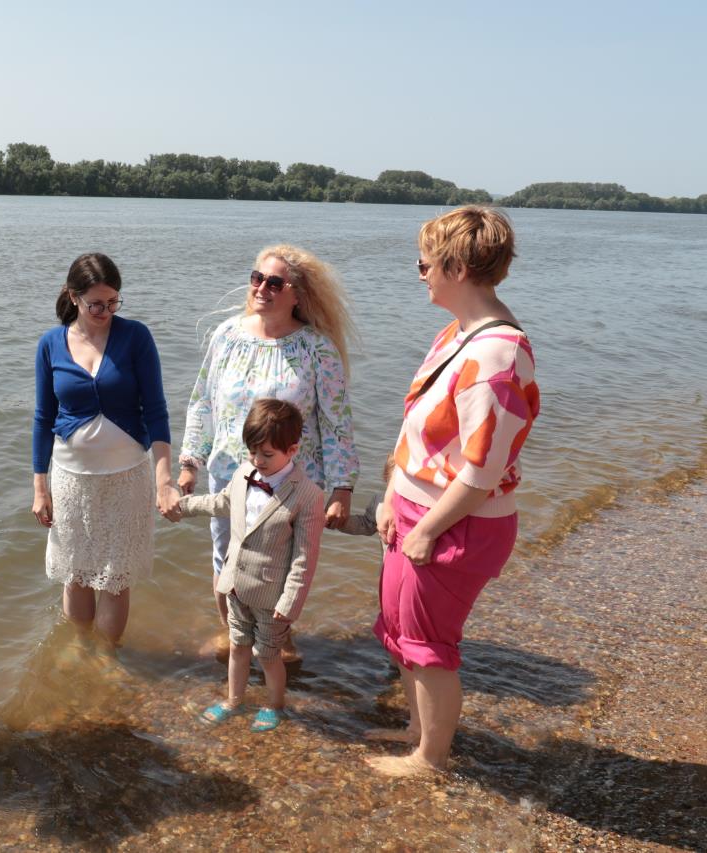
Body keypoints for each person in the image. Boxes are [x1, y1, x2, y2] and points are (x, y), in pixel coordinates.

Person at [368, 205, 539, 777]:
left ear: (458, 267)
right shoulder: (457, 333)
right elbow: (415, 420)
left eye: (426, 262)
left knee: (429, 645)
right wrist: (392, 495)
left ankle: (429, 758)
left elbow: (482, 470)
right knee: (399, 630)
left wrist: (428, 528)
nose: (420, 271)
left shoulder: (499, 352)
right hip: (418, 508)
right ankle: (416, 728)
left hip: (456, 520)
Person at [179, 244, 359, 661]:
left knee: (279, 567)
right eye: (257, 278)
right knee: (227, 560)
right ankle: (234, 637)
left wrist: (342, 486)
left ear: (297, 293)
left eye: (274, 282)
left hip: (292, 486)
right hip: (230, 477)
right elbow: (202, 403)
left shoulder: (317, 348)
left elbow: (336, 423)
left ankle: (278, 639)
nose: (262, 288)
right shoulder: (226, 336)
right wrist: (190, 461)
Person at [31, 252, 180, 647]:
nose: (105, 311)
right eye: (96, 303)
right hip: (71, 480)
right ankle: (83, 654)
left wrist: (165, 479)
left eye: (113, 302)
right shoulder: (50, 344)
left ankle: (107, 657)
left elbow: (157, 412)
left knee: (115, 578)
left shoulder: (136, 337)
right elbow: (43, 419)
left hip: (127, 477)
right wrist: (39, 488)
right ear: (73, 297)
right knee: (76, 573)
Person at [172, 399, 325, 732]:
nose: (258, 461)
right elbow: (222, 502)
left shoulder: (309, 496)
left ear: (293, 449)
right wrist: (184, 506)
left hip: (273, 598)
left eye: (267, 454)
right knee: (238, 646)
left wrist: (290, 603)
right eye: (253, 452)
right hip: (236, 585)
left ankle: (274, 705)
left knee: (268, 655)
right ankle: (233, 700)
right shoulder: (244, 474)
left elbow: (304, 559)